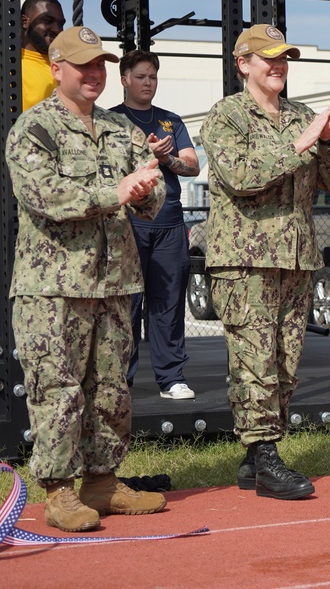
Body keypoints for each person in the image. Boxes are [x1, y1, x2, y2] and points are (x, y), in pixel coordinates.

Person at [6, 26, 168, 532]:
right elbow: (46, 197)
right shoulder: (33, 129)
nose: (94, 74)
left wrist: (143, 192)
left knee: (111, 389)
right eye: (83, 65)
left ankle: (102, 481)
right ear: (57, 69)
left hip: (114, 281)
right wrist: (116, 191)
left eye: (100, 65)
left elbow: (152, 201)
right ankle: (58, 492)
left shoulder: (122, 131)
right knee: (59, 389)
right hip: (53, 286)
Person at [198, 24, 330, 500]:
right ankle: (266, 456)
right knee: (254, 363)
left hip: (296, 259)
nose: (279, 66)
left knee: (285, 364)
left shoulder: (302, 116)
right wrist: (301, 142)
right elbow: (241, 176)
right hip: (245, 261)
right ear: (244, 64)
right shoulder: (227, 116)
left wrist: (324, 140)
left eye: (284, 58)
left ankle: (253, 458)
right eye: (269, 58)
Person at [111, 50, 200, 400]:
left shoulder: (169, 121)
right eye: (141, 77)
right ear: (124, 80)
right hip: (128, 225)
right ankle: (120, 380)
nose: (148, 83)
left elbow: (193, 166)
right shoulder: (111, 121)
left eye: (153, 77)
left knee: (168, 303)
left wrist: (168, 159)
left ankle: (171, 377)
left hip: (169, 225)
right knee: (125, 306)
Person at [20, 0, 66, 111]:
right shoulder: (9, 68)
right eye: (47, 21)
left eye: (60, 24)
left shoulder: (67, 65)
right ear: (24, 21)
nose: (56, 29)